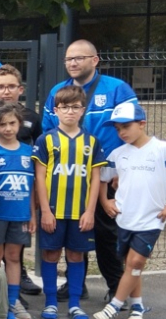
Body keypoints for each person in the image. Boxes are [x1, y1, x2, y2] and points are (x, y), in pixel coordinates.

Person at [42, 40, 140, 302]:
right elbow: (47, 132)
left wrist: (123, 167)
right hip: (68, 176)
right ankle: (77, 284)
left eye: (79, 58)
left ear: (95, 60)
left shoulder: (117, 88)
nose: (73, 63)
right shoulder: (57, 91)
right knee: (75, 233)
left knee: (108, 233)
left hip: (108, 175)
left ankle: (116, 286)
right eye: (69, 59)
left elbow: (132, 130)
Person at [93, 102, 166, 319]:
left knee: (136, 260)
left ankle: (114, 307)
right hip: (125, 218)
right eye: (118, 129)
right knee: (131, 264)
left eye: (126, 127)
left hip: (152, 219)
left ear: (142, 124)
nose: (122, 132)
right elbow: (102, 178)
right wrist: (105, 200)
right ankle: (137, 306)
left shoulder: (162, 149)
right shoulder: (118, 153)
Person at [33, 85, 106, 319]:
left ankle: (74, 304)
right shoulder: (46, 140)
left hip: (80, 213)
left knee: (76, 256)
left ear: (83, 110)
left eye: (75, 107)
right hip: (53, 211)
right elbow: (40, 178)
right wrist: (44, 210)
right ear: (56, 110)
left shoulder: (91, 142)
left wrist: (90, 211)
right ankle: (51, 302)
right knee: (51, 254)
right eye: (65, 107)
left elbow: (95, 179)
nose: (70, 112)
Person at [0, 102, 37, 319]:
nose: (8, 128)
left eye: (12, 123)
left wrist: (33, 215)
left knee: (14, 257)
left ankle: (13, 300)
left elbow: (34, 186)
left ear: (19, 124)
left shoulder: (29, 153)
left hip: (20, 215)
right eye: (2, 124)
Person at [0, 65, 42, 145]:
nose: (6, 92)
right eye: (1, 87)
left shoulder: (33, 117)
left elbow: (39, 150)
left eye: (11, 86)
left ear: (20, 90)